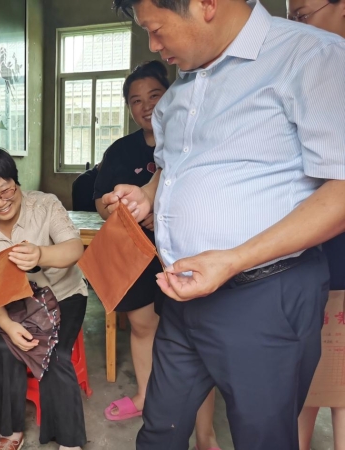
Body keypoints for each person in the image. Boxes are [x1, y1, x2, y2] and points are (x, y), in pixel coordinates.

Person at [103, 0, 345, 448]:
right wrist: (147, 195)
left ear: (206, 4)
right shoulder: (179, 91)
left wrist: (233, 259)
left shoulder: (312, 57)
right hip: (181, 295)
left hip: (265, 296)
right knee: (158, 431)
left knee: (261, 437)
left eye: (156, 28)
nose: (152, 45)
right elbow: (170, 169)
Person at [93, 60, 219, 450]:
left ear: (172, 96)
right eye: (136, 100)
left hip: (183, 253)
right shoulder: (120, 150)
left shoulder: (190, 141)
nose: (146, 106)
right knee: (144, 328)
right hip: (137, 256)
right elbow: (101, 202)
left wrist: (159, 209)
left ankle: (205, 433)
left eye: (154, 95)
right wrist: (121, 209)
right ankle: (146, 396)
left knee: (195, 344)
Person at [0, 147, 87, 450]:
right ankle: (10, 430)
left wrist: (41, 254)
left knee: (54, 352)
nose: (0, 203)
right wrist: (7, 325)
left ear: (16, 182)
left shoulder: (45, 205)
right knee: (2, 348)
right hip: (12, 303)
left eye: (6, 191)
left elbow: (74, 248)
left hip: (63, 294)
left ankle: (69, 441)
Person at [284, 2, 345, 449]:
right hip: (306, 264)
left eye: (302, 15)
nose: (294, 28)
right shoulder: (301, 74)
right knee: (301, 389)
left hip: (334, 265)